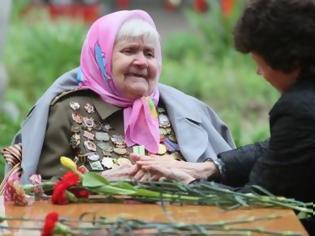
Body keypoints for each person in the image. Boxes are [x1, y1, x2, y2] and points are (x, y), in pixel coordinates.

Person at [133, 0, 315, 232]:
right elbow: (278, 148)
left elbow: (257, 200)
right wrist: (211, 167)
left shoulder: (299, 109)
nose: (258, 72)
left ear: (288, 59)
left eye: (260, 62)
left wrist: (191, 184)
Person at [1, 10, 235, 184]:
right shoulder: (67, 111)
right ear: (101, 59)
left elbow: (223, 177)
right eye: (129, 51)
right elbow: (38, 190)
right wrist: (100, 182)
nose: (142, 62)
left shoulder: (184, 112)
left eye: (150, 53)